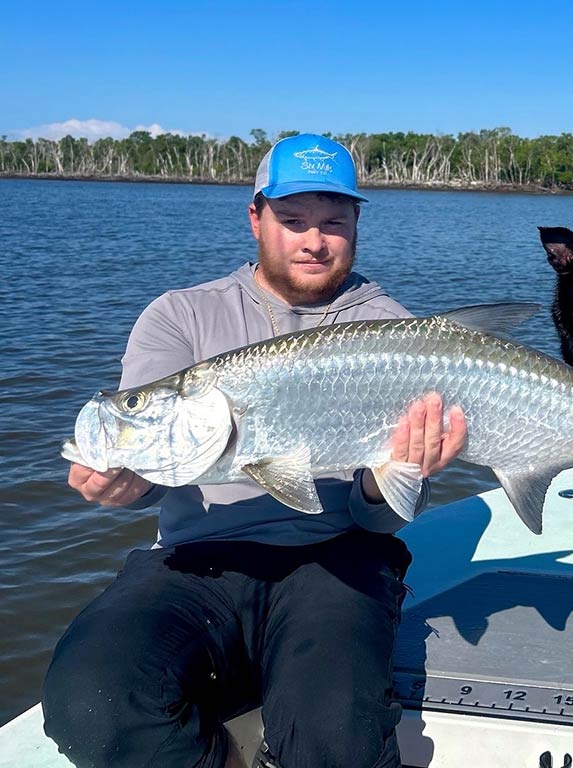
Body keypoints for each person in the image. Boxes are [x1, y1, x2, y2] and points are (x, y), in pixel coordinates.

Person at [42, 133, 467, 768]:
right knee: (89, 700)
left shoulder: (393, 329)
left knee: (336, 744)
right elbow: (161, 458)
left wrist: (395, 475)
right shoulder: (180, 317)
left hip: (337, 559)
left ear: (357, 223)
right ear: (255, 218)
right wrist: (129, 484)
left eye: (333, 222)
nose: (313, 241)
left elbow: (383, 516)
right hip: (195, 559)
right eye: (293, 221)